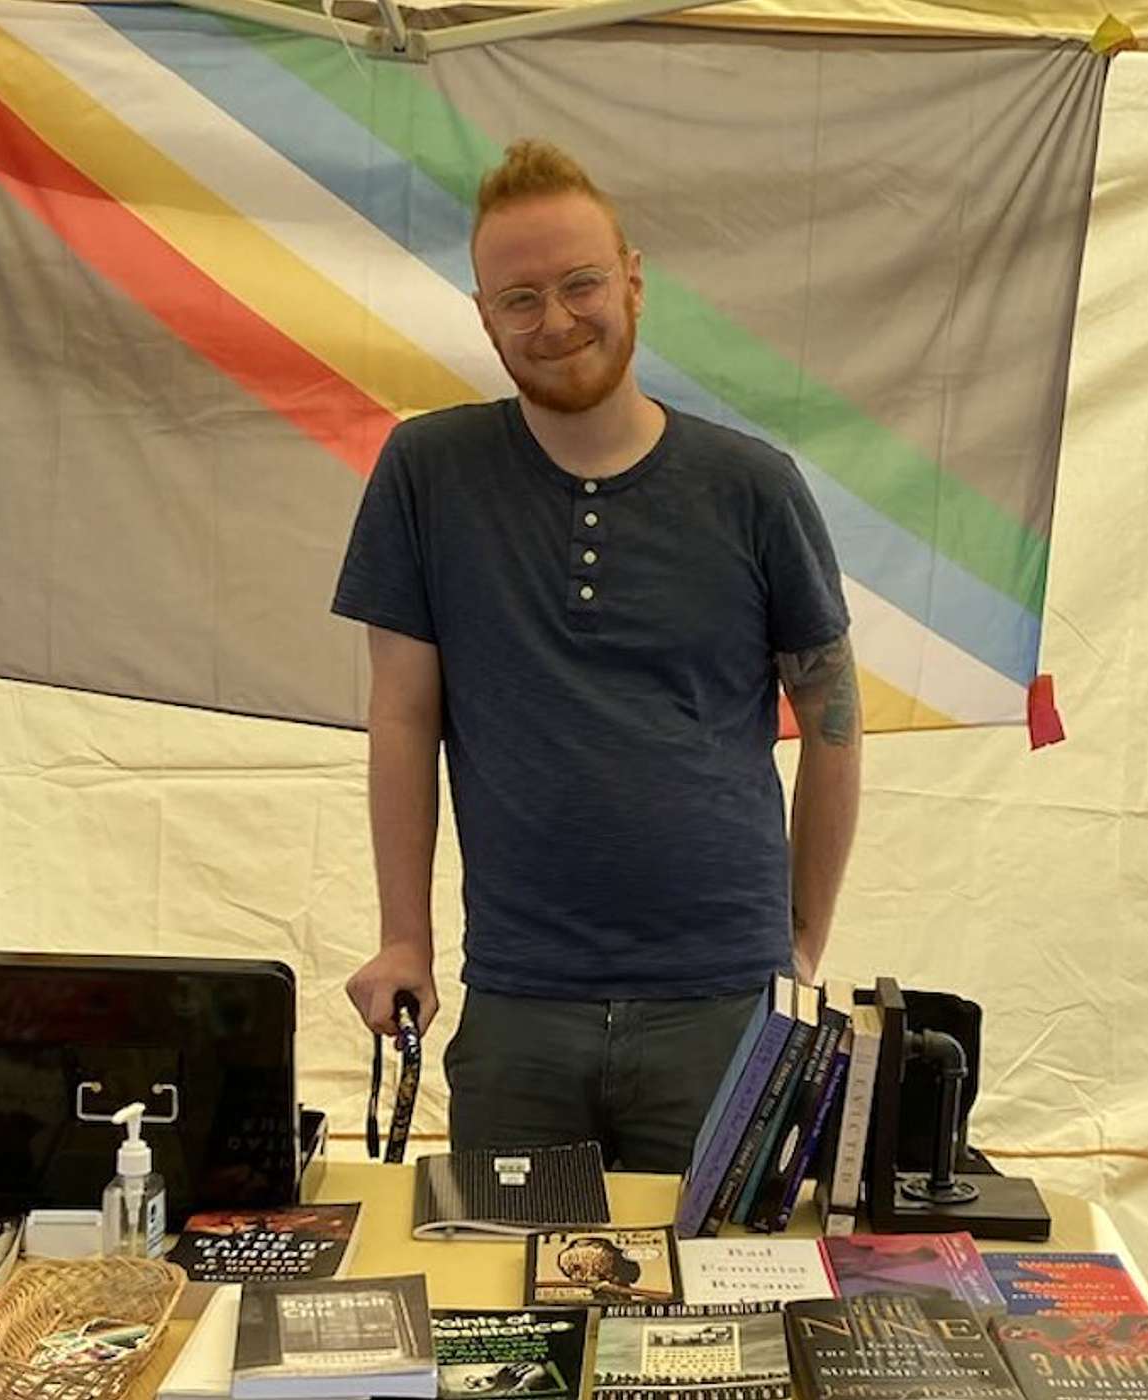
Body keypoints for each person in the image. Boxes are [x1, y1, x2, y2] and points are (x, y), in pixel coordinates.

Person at [334, 138, 861, 1171]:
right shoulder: (427, 472)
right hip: (519, 1007)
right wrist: (406, 939)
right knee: (503, 1278)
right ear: (485, 315)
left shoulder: (753, 486)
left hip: (722, 1009)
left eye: (580, 284)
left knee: (717, 1280)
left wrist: (800, 939)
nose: (556, 319)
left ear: (632, 281)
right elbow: (401, 716)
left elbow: (834, 720)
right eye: (519, 298)